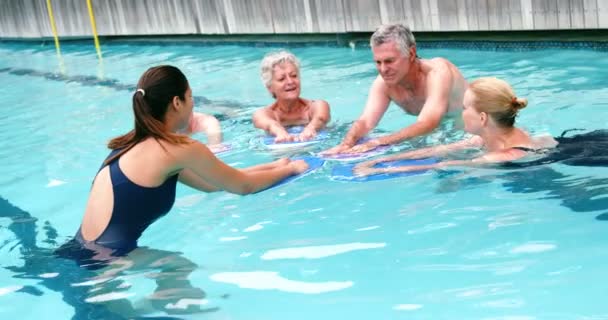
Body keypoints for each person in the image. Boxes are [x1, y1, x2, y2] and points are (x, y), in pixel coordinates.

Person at [67, 65, 308, 256]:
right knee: (177, 266)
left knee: (175, 267)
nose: (194, 104)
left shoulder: (133, 143)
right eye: (191, 97)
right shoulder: (179, 148)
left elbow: (213, 183)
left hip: (77, 251)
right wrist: (293, 169)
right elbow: (243, 187)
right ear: (176, 102)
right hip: (106, 259)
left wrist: (276, 165)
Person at [354, 77, 557, 176]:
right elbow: (437, 151)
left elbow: (440, 165)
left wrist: (377, 171)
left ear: (483, 118)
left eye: (465, 108)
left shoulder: (500, 155)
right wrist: (380, 158)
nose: (461, 112)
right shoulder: (489, 137)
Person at [323, 23, 467, 154]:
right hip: (442, 129)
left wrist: (378, 142)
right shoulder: (384, 84)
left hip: (470, 125)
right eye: (378, 62)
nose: (383, 69)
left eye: (389, 61)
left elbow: (428, 123)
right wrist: (347, 143)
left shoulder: (438, 73)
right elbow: (366, 122)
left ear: (411, 54)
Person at [253, 50, 330, 142]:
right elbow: (270, 125)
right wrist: (280, 132)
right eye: (282, 79)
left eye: (294, 76)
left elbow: (320, 118)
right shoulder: (263, 114)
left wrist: (311, 129)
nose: (290, 82)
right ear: (270, 87)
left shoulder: (317, 106)